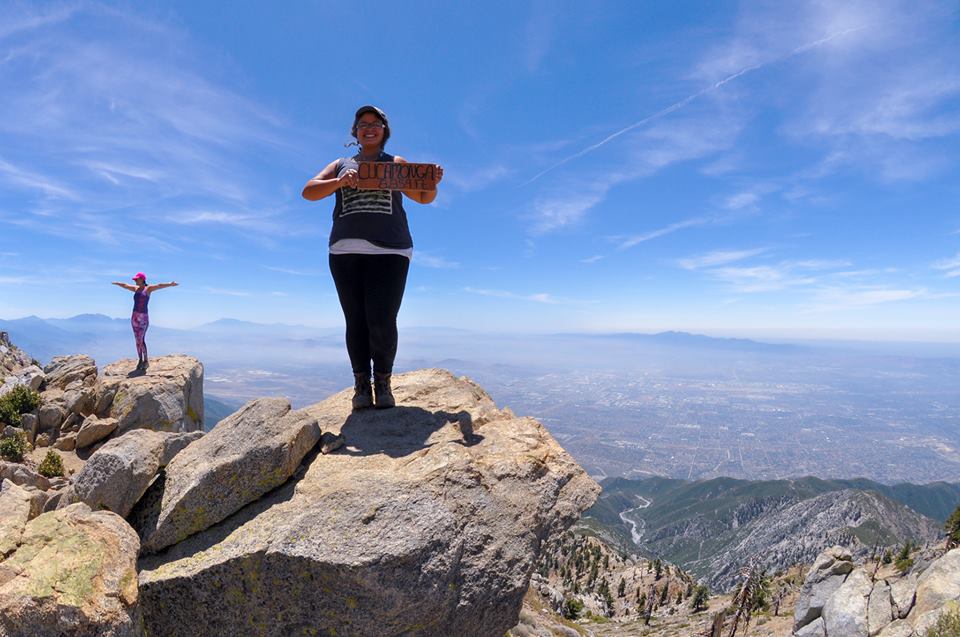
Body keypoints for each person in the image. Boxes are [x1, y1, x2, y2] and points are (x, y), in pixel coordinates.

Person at [302, 105, 443, 409]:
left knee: (382, 318)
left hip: (391, 249)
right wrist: (340, 182)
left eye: (375, 124)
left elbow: (422, 197)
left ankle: (383, 383)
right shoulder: (340, 164)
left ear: (384, 130)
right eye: (363, 124)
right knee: (355, 320)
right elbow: (309, 191)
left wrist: (431, 183)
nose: (369, 128)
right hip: (344, 250)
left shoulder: (395, 163)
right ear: (355, 131)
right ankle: (361, 387)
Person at [111, 273, 178, 371]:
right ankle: (140, 360)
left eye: (137, 279)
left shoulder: (148, 289)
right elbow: (125, 286)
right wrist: (117, 283)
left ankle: (146, 361)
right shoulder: (135, 289)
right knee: (137, 340)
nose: (135, 281)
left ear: (142, 279)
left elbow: (159, 286)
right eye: (135, 280)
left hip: (143, 318)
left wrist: (170, 284)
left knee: (141, 339)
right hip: (134, 317)